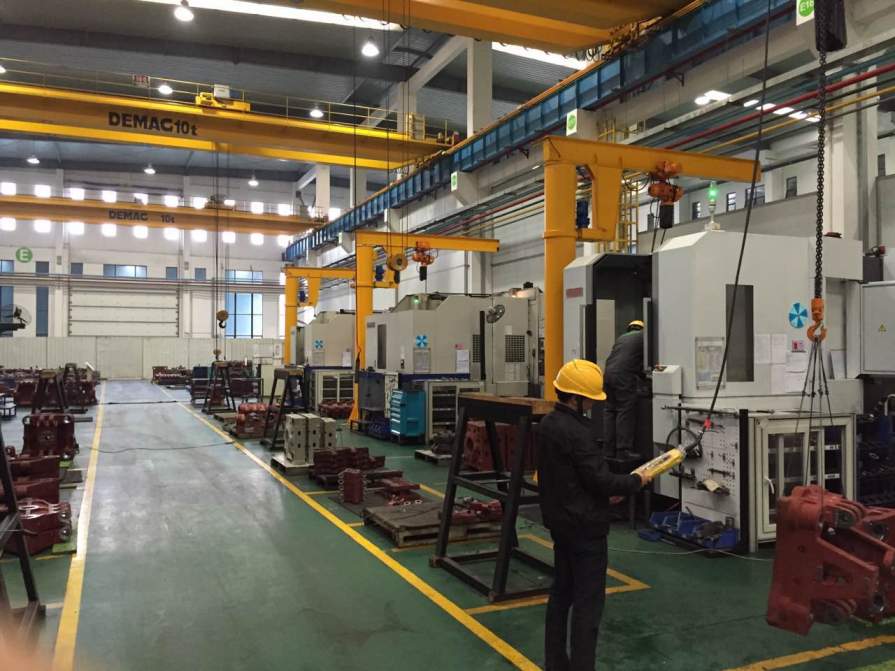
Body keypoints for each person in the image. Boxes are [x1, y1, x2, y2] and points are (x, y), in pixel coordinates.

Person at [538, 359, 650, 671]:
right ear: (575, 398)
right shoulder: (578, 432)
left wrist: (603, 492)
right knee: (588, 606)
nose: (592, 404)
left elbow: (569, 478)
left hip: (560, 524)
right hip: (585, 529)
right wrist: (636, 480)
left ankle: (555, 663)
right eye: (589, 399)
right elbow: (599, 480)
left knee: (561, 594)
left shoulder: (548, 424)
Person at [604, 320, 645, 460]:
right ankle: (623, 450)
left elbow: (627, 359)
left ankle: (608, 450)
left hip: (608, 375)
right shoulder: (643, 337)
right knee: (625, 409)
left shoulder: (621, 338)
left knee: (610, 410)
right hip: (623, 377)